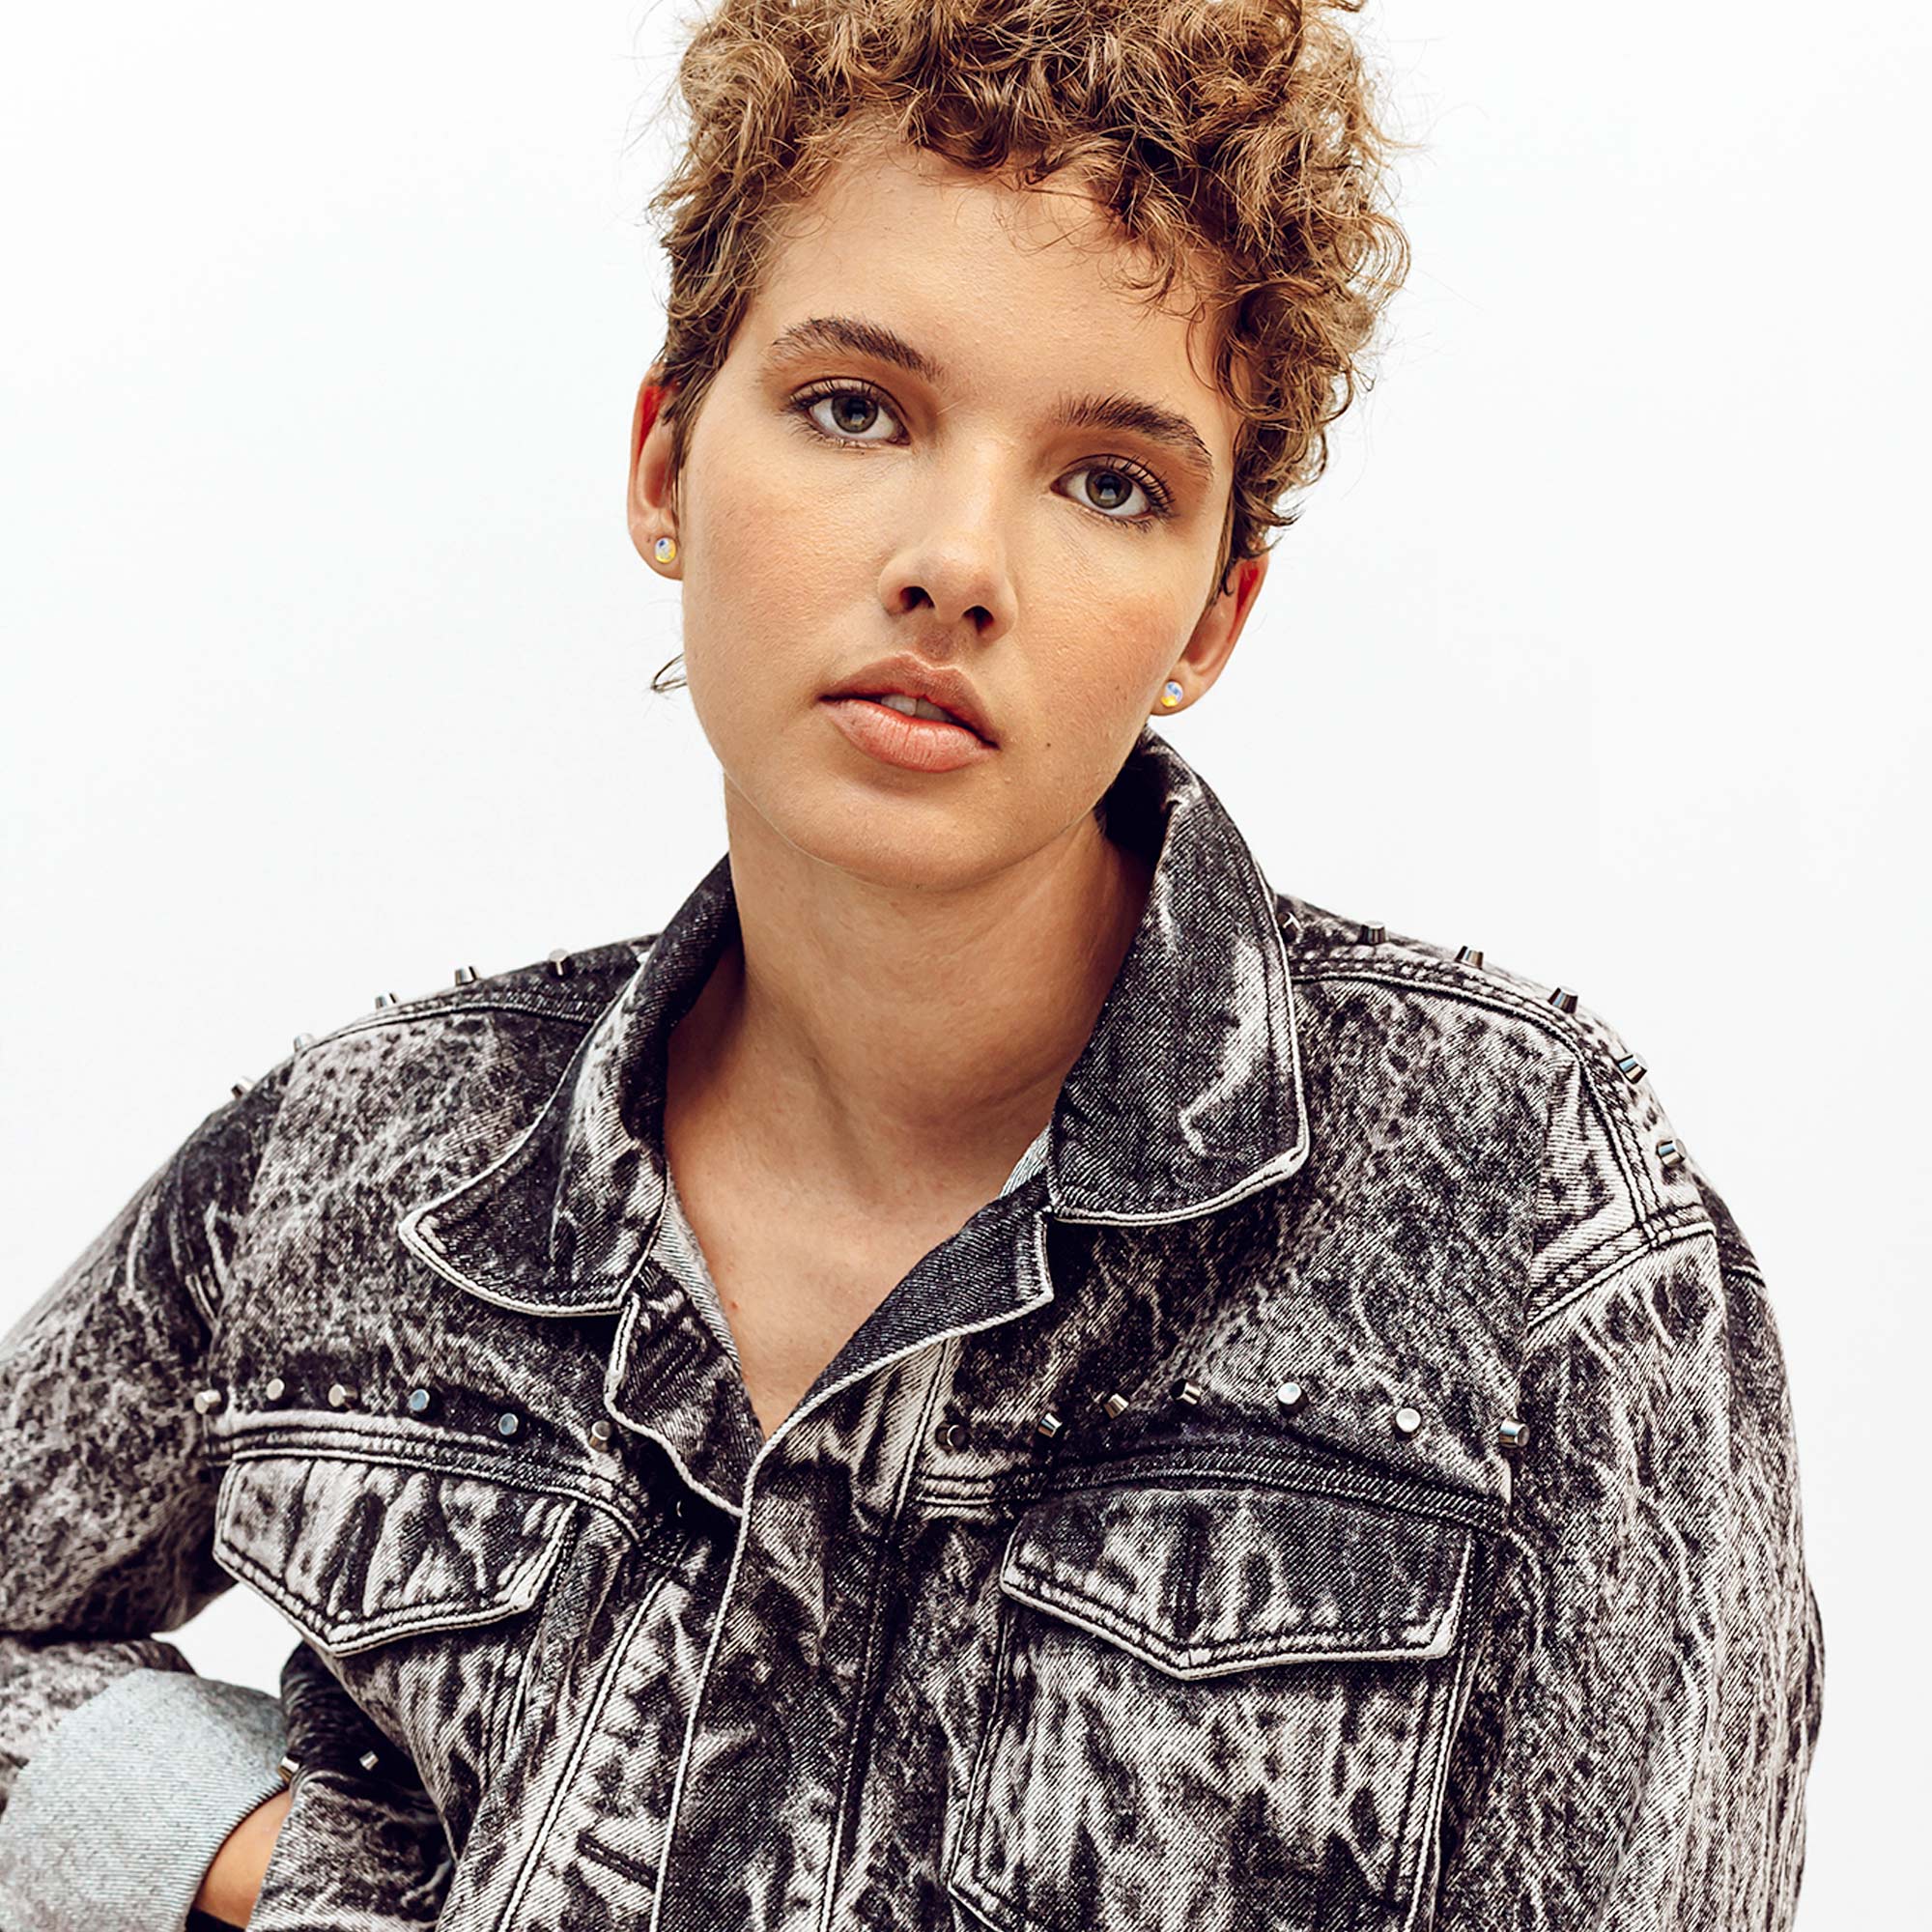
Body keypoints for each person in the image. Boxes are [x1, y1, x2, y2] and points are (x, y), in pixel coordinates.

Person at [0, 1, 1824, 1927]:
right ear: (663, 461)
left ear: (1212, 615)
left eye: (1109, 481)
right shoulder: (371, 1161)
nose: (957, 562)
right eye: (854, 407)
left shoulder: (1527, 1219)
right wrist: (299, 1869)